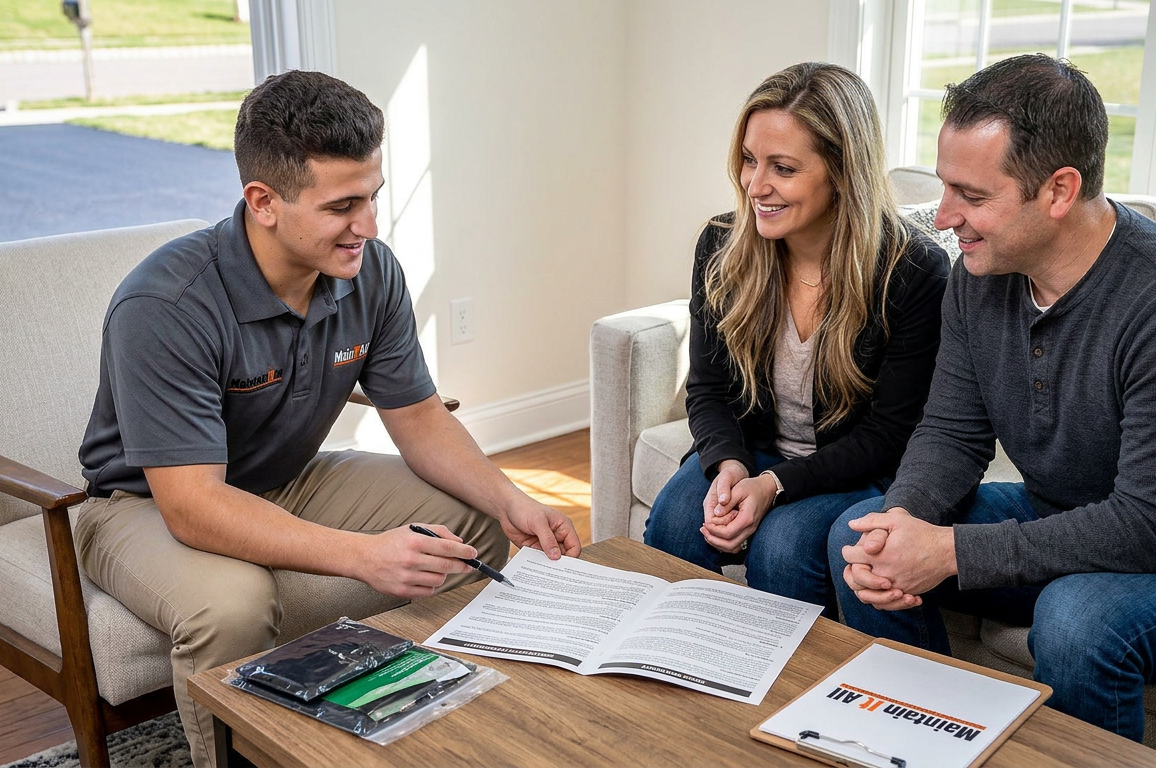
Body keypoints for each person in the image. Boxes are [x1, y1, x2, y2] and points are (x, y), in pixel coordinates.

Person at [75, 70, 581, 767]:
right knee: (231, 607)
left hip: (287, 476)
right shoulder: (166, 304)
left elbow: (421, 417)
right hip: (144, 503)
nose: (369, 227)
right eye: (344, 205)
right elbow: (192, 506)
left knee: (467, 521)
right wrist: (364, 555)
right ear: (264, 202)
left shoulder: (369, 270)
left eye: (373, 197)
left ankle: (423, 727)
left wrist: (512, 500)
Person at [830, 54, 1156, 741]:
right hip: (1065, 507)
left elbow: (1148, 527)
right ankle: (928, 745)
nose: (946, 215)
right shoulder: (981, 271)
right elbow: (952, 434)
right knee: (861, 536)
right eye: (944, 187)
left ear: (1058, 189)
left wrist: (951, 552)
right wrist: (902, 525)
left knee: (1079, 620)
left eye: (973, 194)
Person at [643, 62, 949, 614]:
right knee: (674, 519)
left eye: (782, 168)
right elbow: (709, 389)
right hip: (755, 451)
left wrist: (774, 486)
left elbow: (889, 434)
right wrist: (729, 465)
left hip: (861, 467)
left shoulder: (913, 270)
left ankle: (790, 691)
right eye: (749, 160)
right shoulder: (721, 246)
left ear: (841, 171)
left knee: (783, 549)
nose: (755, 185)